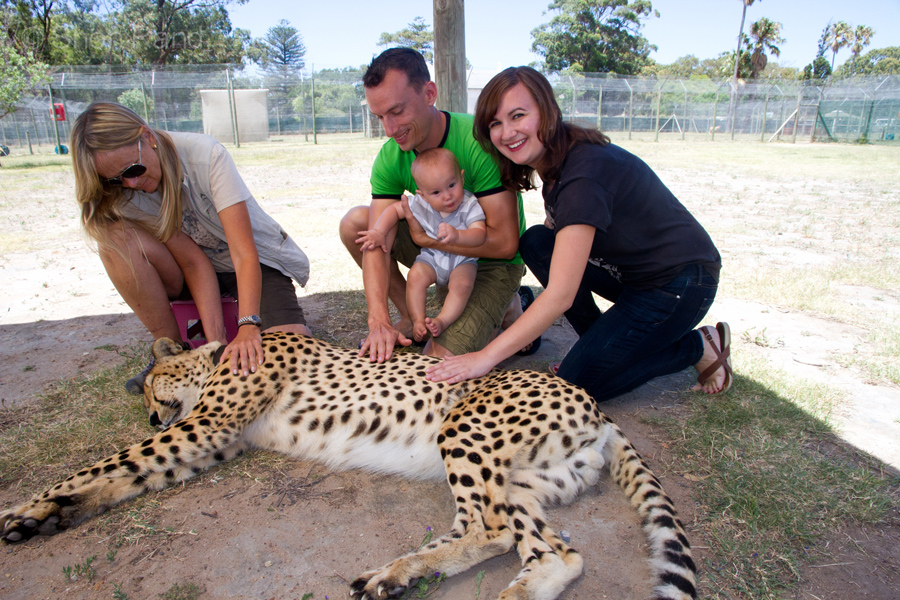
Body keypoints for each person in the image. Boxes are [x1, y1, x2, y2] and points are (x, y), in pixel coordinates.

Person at [426, 66, 733, 401]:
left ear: (548, 111)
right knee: (537, 243)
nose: (506, 132)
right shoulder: (555, 160)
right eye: (495, 123)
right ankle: (600, 347)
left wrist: (484, 358)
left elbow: (560, 295)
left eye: (518, 115)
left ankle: (698, 347)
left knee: (577, 386)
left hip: (680, 284)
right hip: (634, 276)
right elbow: (558, 240)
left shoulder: (583, 173)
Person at [71, 102, 311, 394]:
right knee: (112, 237)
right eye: (116, 179)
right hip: (192, 269)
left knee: (291, 357)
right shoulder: (123, 189)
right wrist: (217, 349)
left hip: (252, 262)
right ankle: (171, 353)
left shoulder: (206, 155)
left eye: (132, 169)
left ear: (147, 137)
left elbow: (244, 253)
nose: (131, 183)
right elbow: (194, 263)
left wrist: (248, 326)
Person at [339, 47, 536, 363]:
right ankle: (409, 318)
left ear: (429, 93)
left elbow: (505, 244)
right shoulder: (390, 157)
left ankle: (508, 306)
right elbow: (378, 241)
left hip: (491, 261)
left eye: (397, 111)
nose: (389, 130)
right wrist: (378, 320)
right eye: (379, 117)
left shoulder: (479, 142)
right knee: (358, 224)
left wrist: (426, 240)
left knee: (436, 364)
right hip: (436, 252)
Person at [357, 148, 486, 342]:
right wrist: (379, 232)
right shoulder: (421, 204)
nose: (447, 196)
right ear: (423, 195)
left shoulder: (469, 204)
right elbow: (394, 210)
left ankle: (443, 320)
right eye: (436, 192)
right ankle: (416, 320)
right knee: (416, 276)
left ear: (462, 178)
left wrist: (458, 235)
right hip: (432, 256)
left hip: (462, 258)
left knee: (463, 284)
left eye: (452, 185)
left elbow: (480, 234)